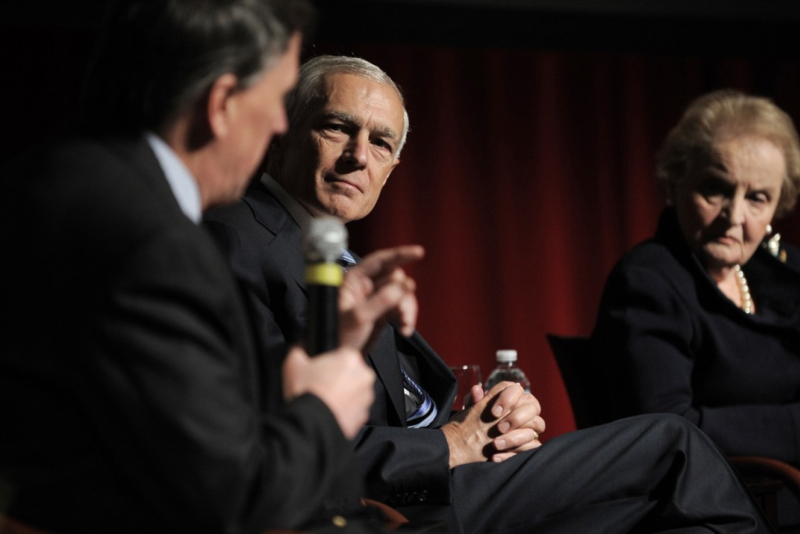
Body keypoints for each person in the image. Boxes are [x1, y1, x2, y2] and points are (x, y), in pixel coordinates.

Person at [205, 56, 776, 533]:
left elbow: (385, 413)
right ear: (281, 134)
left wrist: (485, 423)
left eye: (381, 143)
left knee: (676, 513)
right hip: (385, 511)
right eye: (336, 127)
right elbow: (269, 438)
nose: (359, 156)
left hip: (434, 487)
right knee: (673, 446)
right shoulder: (239, 240)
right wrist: (451, 445)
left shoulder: (324, 250)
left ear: (393, 168)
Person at [0, 2, 425, 533]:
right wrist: (324, 406)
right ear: (222, 103)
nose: (278, 125)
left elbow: (163, 399)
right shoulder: (151, 243)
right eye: (276, 101)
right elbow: (235, 499)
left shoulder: (53, 178)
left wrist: (311, 353)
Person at [591, 89, 800, 466]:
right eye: (716, 189)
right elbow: (667, 428)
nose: (734, 217)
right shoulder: (646, 281)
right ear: (675, 183)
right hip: (719, 492)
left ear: (776, 207)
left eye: (757, 198)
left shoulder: (783, 272)